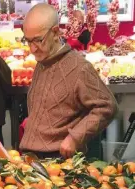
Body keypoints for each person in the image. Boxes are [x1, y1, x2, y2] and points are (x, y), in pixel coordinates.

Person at [19, 4, 117, 159]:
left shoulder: (79, 67)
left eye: (38, 40)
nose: (32, 49)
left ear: (56, 32)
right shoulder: (42, 63)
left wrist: (75, 137)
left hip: (59, 160)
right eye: (28, 41)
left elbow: (107, 106)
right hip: (31, 156)